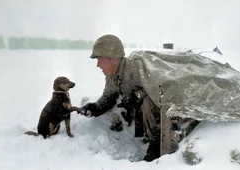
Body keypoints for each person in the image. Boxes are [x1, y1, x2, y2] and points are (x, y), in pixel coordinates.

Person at [80, 34, 199, 162]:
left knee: (147, 102)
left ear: (112, 58)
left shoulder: (136, 68)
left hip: (168, 108)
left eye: (100, 59)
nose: (98, 65)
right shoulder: (112, 76)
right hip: (147, 115)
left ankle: (156, 147)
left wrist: (137, 96)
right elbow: (109, 97)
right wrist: (95, 108)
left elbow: (159, 89)